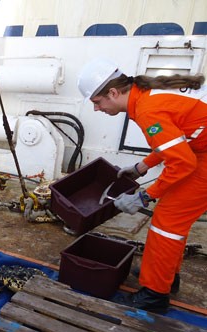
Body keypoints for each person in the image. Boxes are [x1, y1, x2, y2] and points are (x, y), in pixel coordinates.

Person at [77, 58, 207, 313]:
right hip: (198, 152)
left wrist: (145, 197)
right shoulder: (145, 98)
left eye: (97, 102)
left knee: (166, 226)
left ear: (113, 93)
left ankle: (154, 296)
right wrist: (142, 167)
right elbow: (176, 140)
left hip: (201, 159)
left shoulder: (148, 110)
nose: (97, 109)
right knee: (170, 225)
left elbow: (182, 163)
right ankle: (165, 277)